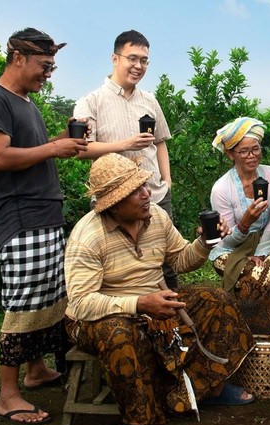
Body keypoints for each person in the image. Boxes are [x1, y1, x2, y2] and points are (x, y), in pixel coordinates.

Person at [64, 153, 255, 425]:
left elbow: (180, 260)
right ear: (113, 203)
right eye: (136, 191)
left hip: (154, 301)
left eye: (144, 186)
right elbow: (80, 304)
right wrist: (139, 304)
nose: (146, 195)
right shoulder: (87, 237)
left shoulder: (156, 216)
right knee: (118, 333)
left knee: (215, 299)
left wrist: (205, 242)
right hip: (101, 316)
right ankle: (137, 419)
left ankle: (209, 388)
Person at [0, 28, 88, 425]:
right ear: (18, 57)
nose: (48, 75)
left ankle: (36, 370)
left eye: (52, 67)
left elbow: (31, 152)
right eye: (44, 66)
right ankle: (7, 395)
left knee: (49, 297)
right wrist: (55, 148)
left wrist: (62, 139)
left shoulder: (26, 103)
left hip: (43, 214)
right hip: (19, 218)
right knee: (23, 304)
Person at [73, 29, 178, 290]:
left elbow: (160, 141)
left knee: (166, 262)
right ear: (115, 58)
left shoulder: (150, 100)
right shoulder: (91, 102)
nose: (138, 66)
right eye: (132, 58)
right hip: (115, 200)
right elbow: (81, 149)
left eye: (144, 60)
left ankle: (172, 322)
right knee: (119, 266)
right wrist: (126, 144)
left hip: (155, 194)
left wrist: (167, 180)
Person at [209, 117, 270, 335]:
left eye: (255, 149)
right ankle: (247, 334)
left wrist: (261, 252)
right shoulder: (222, 189)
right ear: (231, 154)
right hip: (229, 249)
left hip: (265, 242)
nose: (252, 156)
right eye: (244, 152)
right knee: (254, 275)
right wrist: (245, 223)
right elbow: (225, 239)